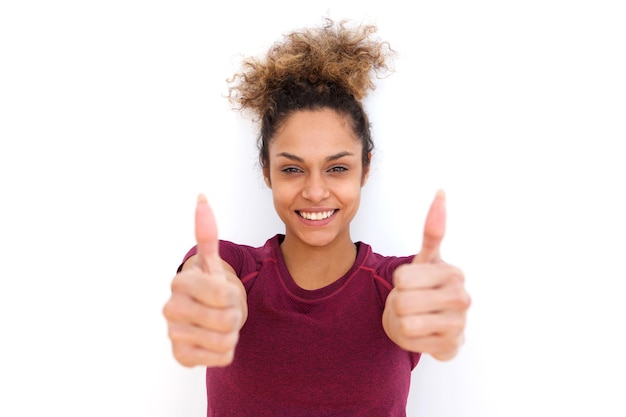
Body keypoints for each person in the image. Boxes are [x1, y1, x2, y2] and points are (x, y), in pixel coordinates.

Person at [162, 18, 471, 417]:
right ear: (266, 171)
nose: (315, 191)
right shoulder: (232, 267)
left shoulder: (400, 284)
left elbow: (408, 308)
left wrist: (434, 309)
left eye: (337, 168)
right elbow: (215, 284)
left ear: (366, 169)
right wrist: (210, 305)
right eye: (292, 169)